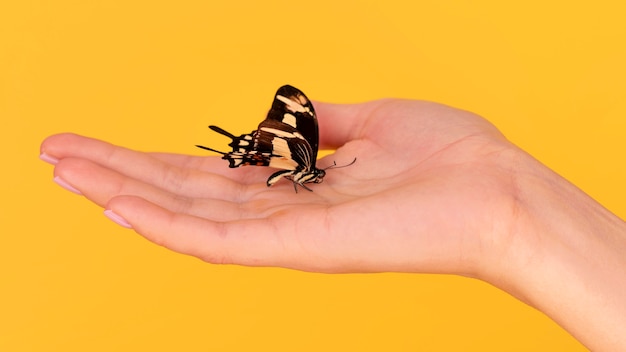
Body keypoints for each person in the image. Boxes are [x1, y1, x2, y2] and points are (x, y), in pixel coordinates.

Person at [40, 98, 626, 351]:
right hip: (277, 160)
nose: (320, 171)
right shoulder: (298, 156)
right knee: (276, 161)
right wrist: (516, 213)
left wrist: (514, 212)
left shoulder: (309, 163)